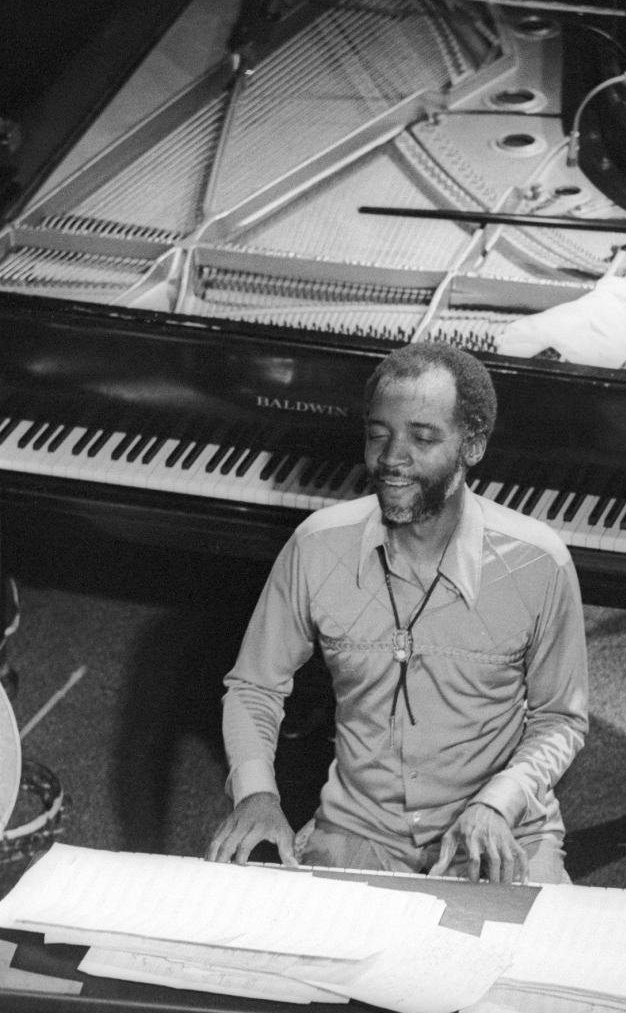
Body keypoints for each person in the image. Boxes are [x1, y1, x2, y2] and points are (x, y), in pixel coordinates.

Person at [206, 341, 588, 885]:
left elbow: (560, 718)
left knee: (529, 966)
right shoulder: (314, 547)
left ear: (472, 445)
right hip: (357, 829)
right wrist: (258, 794)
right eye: (379, 435)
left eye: (422, 437)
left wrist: (498, 804)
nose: (391, 458)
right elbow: (253, 688)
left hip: (500, 828)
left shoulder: (540, 563)